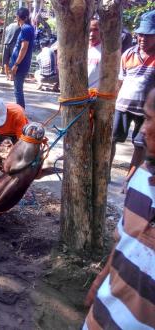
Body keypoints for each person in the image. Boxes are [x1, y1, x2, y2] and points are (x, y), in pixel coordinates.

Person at [83, 86, 155, 329]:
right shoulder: (141, 178)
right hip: (101, 317)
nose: (144, 129)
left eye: (151, 119)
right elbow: (124, 242)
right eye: (144, 117)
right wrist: (100, 282)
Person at [110, 10, 155, 187]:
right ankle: (105, 172)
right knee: (112, 139)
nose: (143, 38)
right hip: (122, 105)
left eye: (149, 35)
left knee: (139, 145)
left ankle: (130, 179)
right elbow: (120, 81)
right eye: (141, 34)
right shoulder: (128, 54)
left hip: (145, 111)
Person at [10, 7, 34, 109]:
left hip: (21, 64)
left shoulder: (26, 28)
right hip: (20, 63)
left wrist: (16, 64)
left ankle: (21, 113)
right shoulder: (26, 27)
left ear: (18, 17)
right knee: (17, 89)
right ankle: (20, 111)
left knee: (18, 90)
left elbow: (24, 48)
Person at [87, 18, 101, 88]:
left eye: (95, 30)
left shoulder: (106, 52)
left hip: (95, 95)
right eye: (89, 30)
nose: (92, 34)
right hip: (77, 94)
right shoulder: (79, 49)